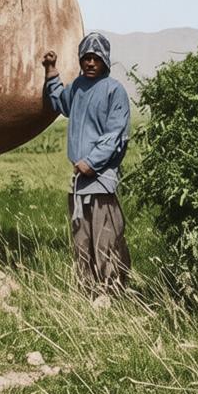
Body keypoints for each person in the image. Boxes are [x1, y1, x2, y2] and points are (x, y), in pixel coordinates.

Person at [42, 32, 132, 295]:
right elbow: (59, 101)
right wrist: (51, 70)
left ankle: (111, 291)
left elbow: (116, 135)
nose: (90, 63)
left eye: (96, 58)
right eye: (86, 58)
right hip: (79, 183)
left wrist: (91, 163)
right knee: (81, 240)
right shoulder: (78, 87)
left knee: (106, 239)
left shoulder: (114, 90)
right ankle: (86, 291)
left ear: (105, 61)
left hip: (102, 181)